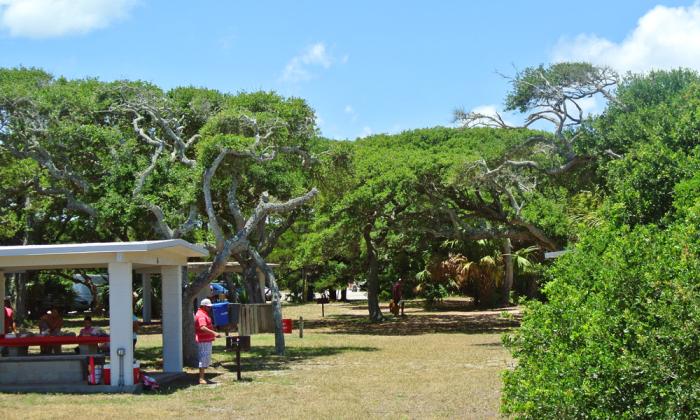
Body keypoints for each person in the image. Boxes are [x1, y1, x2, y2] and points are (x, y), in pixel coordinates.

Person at [194, 298, 220, 385]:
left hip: (206, 340)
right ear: (204, 306)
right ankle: (201, 379)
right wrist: (214, 333)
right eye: (208, 307)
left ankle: (202, 378)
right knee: (203, 358)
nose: (209, 308)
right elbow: (202, 327)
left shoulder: (203, 313)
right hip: (203, 340)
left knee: (205, 358)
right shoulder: (201, 315)